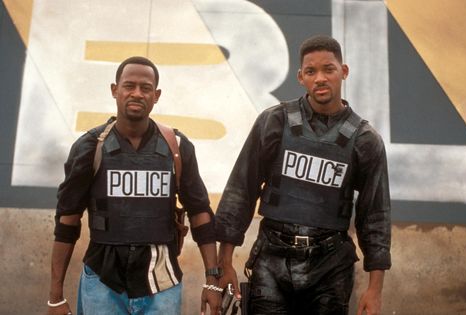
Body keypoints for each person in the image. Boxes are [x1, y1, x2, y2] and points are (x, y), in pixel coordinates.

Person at [215, 35, 391, 315]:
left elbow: (375, 217)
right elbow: (240, 191)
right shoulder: (274, 122)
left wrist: (375, 290)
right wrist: (222, 265)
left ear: (343, 71)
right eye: (311, 71)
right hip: (271, 260)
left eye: (328, 69)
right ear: (300, 77)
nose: (320, 78)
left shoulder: (365, 140)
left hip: (330, 268)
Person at [47, 56, 222, 315]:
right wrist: (55, 296)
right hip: (102, 280)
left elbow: (200, 214)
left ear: (157, 95)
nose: (137, 93)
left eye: (146, 88)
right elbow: (67, 222)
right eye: (129, 86)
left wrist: (213, 281)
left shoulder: (177, 147)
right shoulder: (89, 147)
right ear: (114, 90)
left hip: (160, 281)